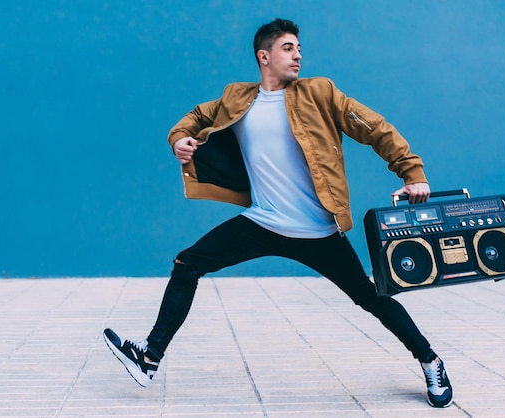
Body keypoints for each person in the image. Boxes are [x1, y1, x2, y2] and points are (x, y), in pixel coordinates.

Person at [103, 18, 453, 408]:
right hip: (263, 222)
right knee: (187, 264)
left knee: (371, 298)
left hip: (317, 230)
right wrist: (178, 140)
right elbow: (196, 118)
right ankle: (149, 359)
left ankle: (430, 360)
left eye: (300, 48)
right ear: (264, 56)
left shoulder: (320, 93)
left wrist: (412, 173)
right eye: (289, 48)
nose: (298, 54)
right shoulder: (236, 98)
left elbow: (376, 128)